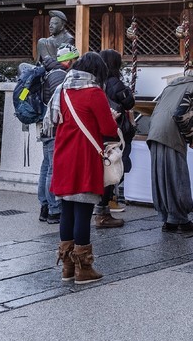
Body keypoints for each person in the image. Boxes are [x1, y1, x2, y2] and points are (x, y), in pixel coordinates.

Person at [50, 51, 116, 284]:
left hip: (62, 156)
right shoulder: (94, 93)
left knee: (67, 210)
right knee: (83, 211)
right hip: (84, 158)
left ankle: (67, 268)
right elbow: (108, 129)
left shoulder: (63, 91)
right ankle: (83, 269)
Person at [147, 67, 193, 233]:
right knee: (177, 175)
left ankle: (168, 219)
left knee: (160, 176)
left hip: (154, 132)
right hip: (173, 134)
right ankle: (180, 218)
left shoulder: (171, 86)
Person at [93, 49, 135, 228]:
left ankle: (102, 207)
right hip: (115, 132)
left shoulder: (96, 83)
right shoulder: (115, 83)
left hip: (99, 132)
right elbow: (129, 102)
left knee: (103, 170)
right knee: (114, 168)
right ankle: (103, 211)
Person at [37, 43, 78, 224]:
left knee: (46, 166)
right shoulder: (60, 76)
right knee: (52, 168)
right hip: (54, 128)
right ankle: (54, 209)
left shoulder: (48, 72)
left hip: (45, 127)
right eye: (75, 59)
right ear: (68, 61)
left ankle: (45, 206)